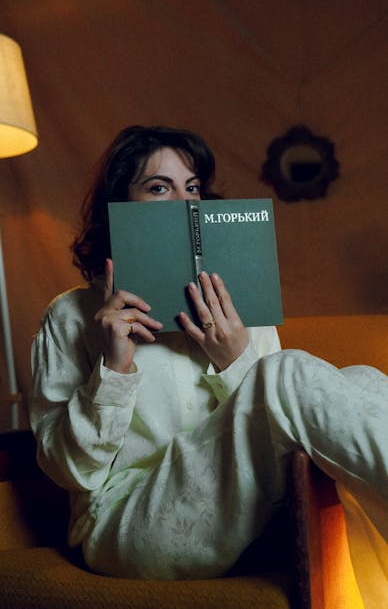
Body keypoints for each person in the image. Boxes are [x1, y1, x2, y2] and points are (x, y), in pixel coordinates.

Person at [30, 125, 387, 604]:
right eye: (159, 188)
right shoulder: (71, 315)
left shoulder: (239, 308)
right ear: (120, 205)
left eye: (192, 188)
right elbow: (70, 472)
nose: (183, 202)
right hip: (124, 520)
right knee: (286, 373)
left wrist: (235, 357)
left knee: (360, 379)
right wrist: (113, 368)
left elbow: (282, 434)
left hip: (250, 517)